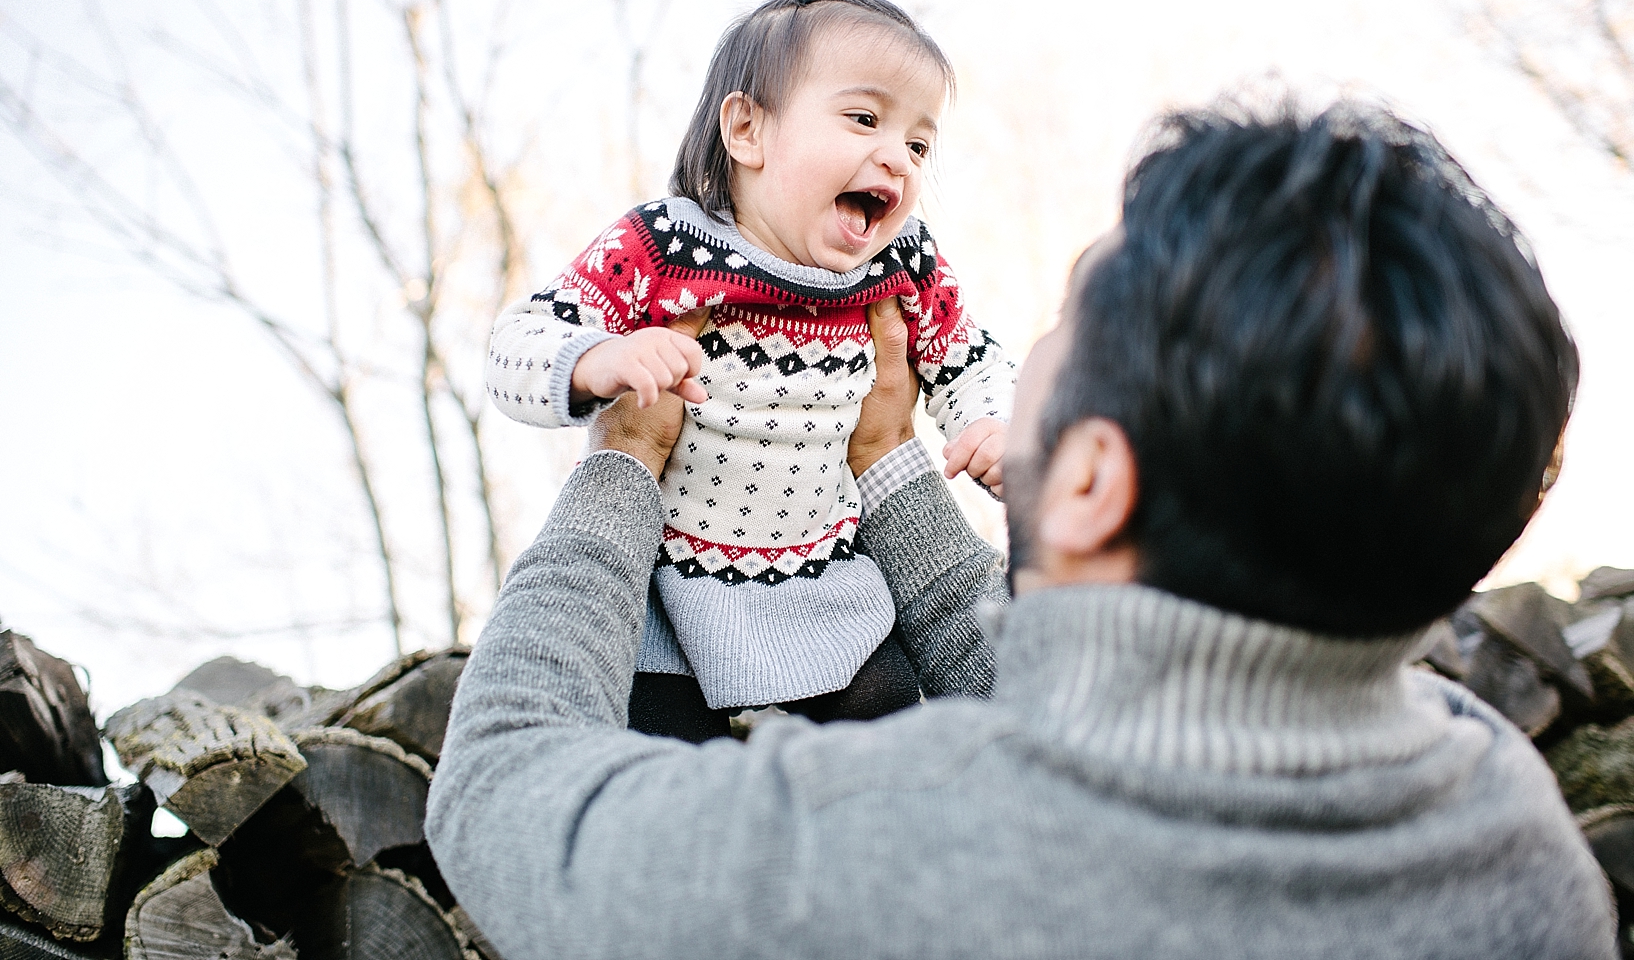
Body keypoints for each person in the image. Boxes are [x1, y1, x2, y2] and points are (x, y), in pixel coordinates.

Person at [428, 101, 1615, 959]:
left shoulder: (856, 847)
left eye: (1057, 325)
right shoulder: (1511, 834)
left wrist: (620, 471)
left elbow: (497, 784)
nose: (1020, 356)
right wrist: (891, 459)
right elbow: (1085, 717)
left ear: (1095, 479)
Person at [483, 0, 1014, 741]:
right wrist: (594, 361)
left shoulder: (901, 263)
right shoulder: (665, 247)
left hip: (844, 605)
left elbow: (969, 353)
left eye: (919, 141)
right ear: (748, 131)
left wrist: (991, 421)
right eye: (863, 119)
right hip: (676, 627)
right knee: (666, 789)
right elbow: (515, 341)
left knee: (891, 773)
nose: (899, 158)